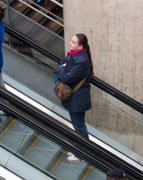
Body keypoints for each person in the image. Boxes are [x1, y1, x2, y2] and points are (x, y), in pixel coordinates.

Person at [55, 33, 93, 162]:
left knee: (79, 126)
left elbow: (66, 77)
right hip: (75, 98)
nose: (70, 43)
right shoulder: (73, 54)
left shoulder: (81, 60)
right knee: (78, 125)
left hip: (78, 99)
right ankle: (81, 150)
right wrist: (63, 68)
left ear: (80, 45)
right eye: (71, 41)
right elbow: (63, 65)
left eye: (73, 42)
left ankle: (84, 154)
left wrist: (62, 69)